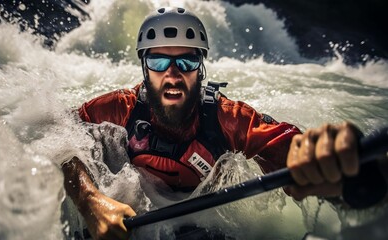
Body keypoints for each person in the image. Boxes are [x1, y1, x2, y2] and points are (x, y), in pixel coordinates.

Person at [61, 7, 365, 240]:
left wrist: (333, 166)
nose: (172, 74)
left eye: (186, 62)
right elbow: (60, 138)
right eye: (158, 62)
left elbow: (288, 148)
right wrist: (90, 200)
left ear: (201, 68)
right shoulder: (120, 108)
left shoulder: (228, 119)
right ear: (144, 68)